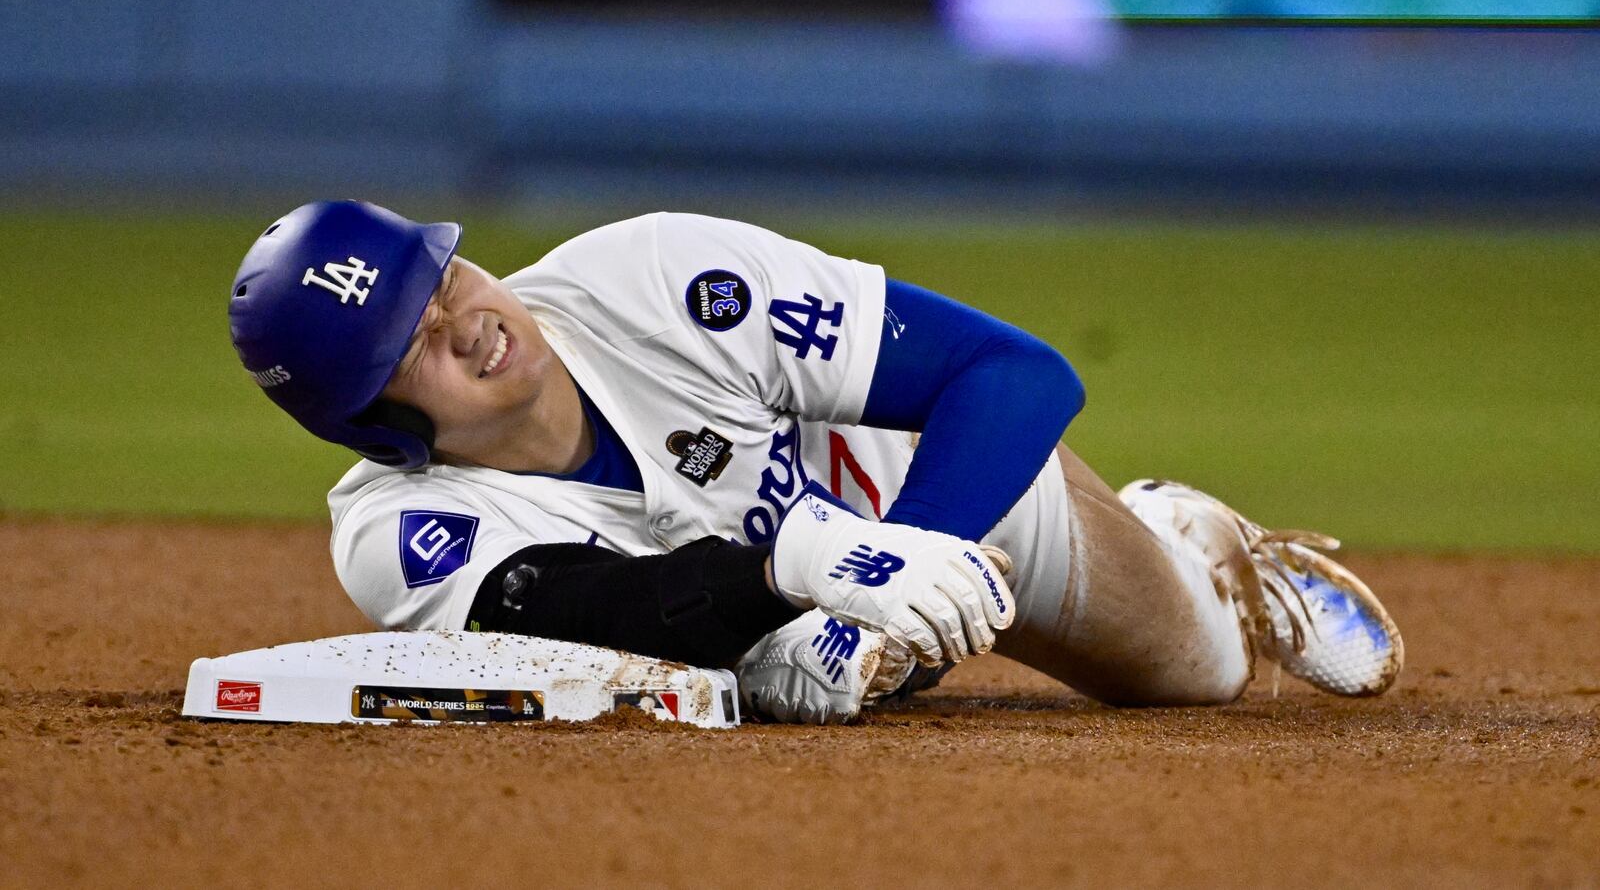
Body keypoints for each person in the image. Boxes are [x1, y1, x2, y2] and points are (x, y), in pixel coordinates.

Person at [228, 200, 1403, 724]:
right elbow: (610, 612)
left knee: (1194, 677)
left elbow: (1017, 374)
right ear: (366, 421)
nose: (463, 320)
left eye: (443, 277)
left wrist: (901, 550)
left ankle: (1186, 536)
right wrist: (802, 580)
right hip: (796, 605)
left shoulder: (654, 280)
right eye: (408, 342)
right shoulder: (396, 530)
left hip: (940, 492)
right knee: (798, 688)